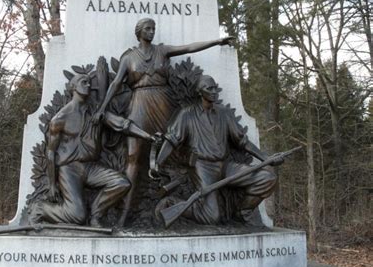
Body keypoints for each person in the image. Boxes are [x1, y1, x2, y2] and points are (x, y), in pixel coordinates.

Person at [93, 18, 234, 226]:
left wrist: (217, 41)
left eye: (153, 29)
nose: (151, 32)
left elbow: (188, 47)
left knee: (174, 151)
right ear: (139, 32)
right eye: (147, 29)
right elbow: (115, 84)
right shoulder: (129, 58)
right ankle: (123, 215)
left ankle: (183, 205)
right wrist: (102, 108)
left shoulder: (162, 51)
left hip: (163, 105)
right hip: (139, 106)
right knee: (133, 159)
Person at [153, 75, 282, 225]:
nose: (214, 91)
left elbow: (243, 142)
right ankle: (171, 204)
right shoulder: (186, 114)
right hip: (202, 168)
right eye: (210, 89)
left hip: (225, 166)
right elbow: (171, 141)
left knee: (267, 178)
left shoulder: (224, 113)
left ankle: (243, 212)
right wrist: (157, 163)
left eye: (215, 88)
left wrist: (266, 158)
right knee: (211, 217)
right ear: (200, 91)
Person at [30, 73, 154, 228]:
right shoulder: (59, 119)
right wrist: (52, 184)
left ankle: (96, 215)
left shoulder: (96, 111)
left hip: (90, 167)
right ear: (73, 87)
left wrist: (148, 136)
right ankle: (41, 209)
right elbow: (50, 152)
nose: (89, 85)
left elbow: (122, 124)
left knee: (121, 183)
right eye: (84, 82)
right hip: (69, 169)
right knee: (77, 215)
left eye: (89, 82)